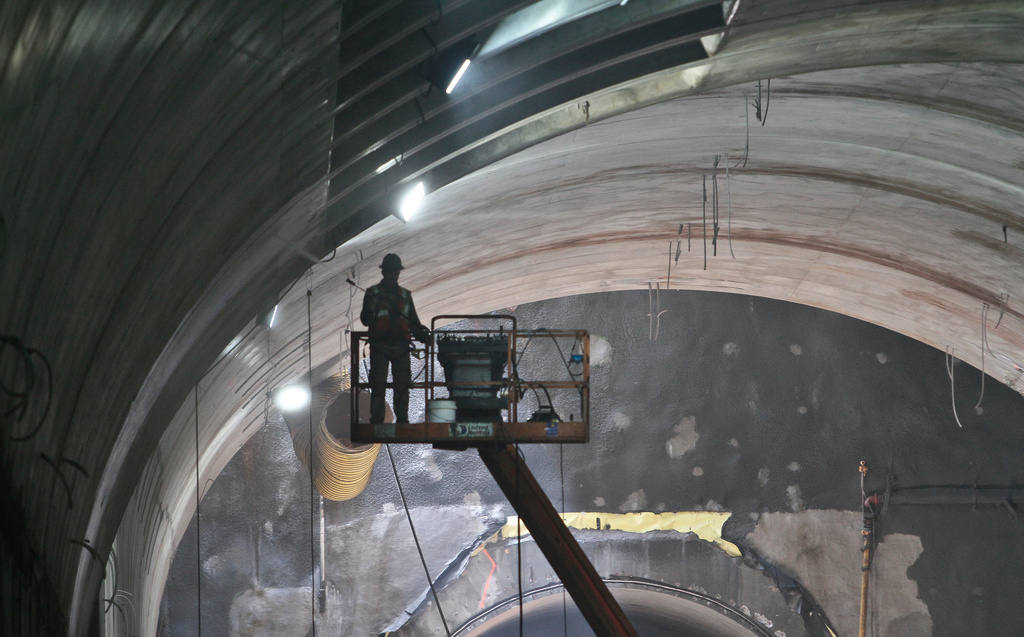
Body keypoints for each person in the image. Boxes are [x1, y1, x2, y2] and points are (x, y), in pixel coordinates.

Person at [360, 254, 430, 423]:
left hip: (401, 347)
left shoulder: (405, 295)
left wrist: (422, 336)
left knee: (403, 384)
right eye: (391, 271)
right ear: (384, 272)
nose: (393, 275)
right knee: (378, 384)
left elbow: (413, 321)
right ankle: (377, 418)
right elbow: (365, 320)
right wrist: (371, 305)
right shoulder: (373, 294)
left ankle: (402, 418)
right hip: (380, 347)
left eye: (396, 271)